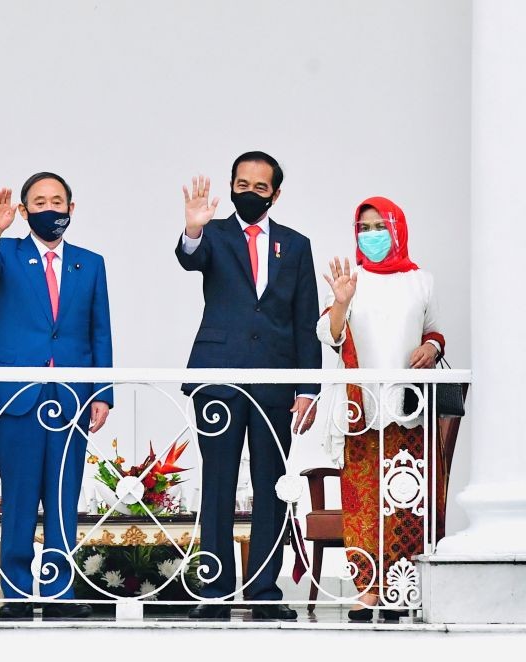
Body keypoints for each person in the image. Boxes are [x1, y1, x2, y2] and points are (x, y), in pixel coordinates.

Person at [176, 152, 321, 620]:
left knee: (271, 484)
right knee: (217, 483)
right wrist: (194, 227)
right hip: (218, 373)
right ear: (231, 185)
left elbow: (304, 320)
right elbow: (189, 258)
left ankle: (263, 592)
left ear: (275, 194)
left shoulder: (296, 246)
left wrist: (309, 387)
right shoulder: (213, 234)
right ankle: (214, 591)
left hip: (275, 379)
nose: (250, 193)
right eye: (242, 184)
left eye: (260, 187)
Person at [0, 172, 113, 620]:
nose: (51, 208)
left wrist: (102, 392)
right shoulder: (6, 253)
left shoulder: (90, 263)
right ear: (25, 211)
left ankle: (59, 592)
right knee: (20, 494)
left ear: (71, 208)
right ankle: (16, 590)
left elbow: (99, 330)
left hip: (72, 394)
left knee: (64, 494)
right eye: (40, 202)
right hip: (16, 394)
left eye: (58, 201)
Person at [317, 195, 446, 621]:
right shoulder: (352, 279)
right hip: (361, 409)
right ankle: (367, 588)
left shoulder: (421, 281)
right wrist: (340, 302)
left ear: (397, 228)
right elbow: (330, 336)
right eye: (363, 229)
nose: (371, 236)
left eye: (379, 227)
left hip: (407, 407)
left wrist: (431, 346)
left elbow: (435, 333)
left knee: (406, 498)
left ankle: (401, 587)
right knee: (359, 500)